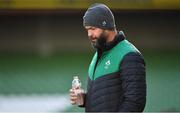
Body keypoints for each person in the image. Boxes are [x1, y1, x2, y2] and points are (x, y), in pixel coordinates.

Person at [70, 3, 146, 112]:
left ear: (106, 26)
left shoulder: (129, 55)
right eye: (87, 29)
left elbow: (135, 102)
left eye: (93, 28)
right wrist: (84, 99)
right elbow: (106, 98)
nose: (89, 34)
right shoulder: (99, 54)